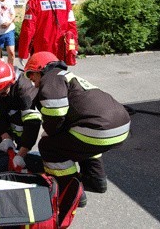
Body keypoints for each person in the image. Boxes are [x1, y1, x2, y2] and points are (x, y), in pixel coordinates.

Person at [24, 51, 131, 207]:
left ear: (40, 69)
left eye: (30, 74)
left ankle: (72, 192)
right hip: (120, 128)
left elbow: (56, 111)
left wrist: (49, 132)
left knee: (48, 146)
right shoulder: (68, 76)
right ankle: (96, 180)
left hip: (98, 130)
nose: (31, 79)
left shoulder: (51, 78)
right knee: (78, 141)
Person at [0, 60, 42, 171]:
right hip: (5, 112)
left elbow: (32, 123)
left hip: (20, 116)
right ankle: (9, 135)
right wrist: (4, 136)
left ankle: (20, 146)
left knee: (20, 129)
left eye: (3, 93)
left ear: (11, 83)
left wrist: (21, 154)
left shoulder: (25, 87)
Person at [18, 0, 78, 66]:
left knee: (43, 79)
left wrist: (23, 53)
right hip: (61, 51)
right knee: (59, 78)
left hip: (42, 52)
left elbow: (28, 30)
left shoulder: (33, 2)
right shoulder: (65, 0)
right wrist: (73, 47)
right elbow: (72, 26)